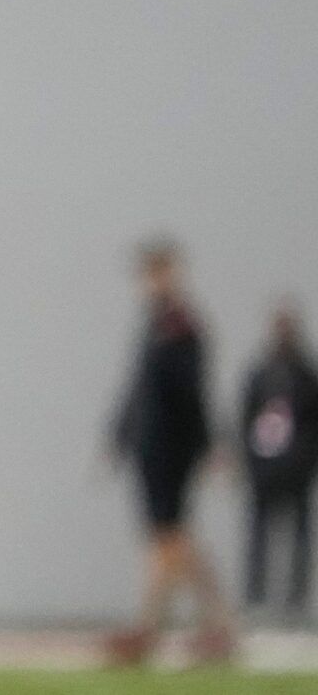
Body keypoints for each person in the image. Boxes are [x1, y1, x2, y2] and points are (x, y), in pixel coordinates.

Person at [106, 239, 236, 665]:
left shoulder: (181, 326)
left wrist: (208, 446)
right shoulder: (156, 324)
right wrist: (120, 435)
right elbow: (138, 389)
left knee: (168, 537)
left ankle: (150, 629)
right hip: (152, 446)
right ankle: (216, 625)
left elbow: (193, 394)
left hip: (172, 447)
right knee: (172, 537)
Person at [241, 305, 318, 622]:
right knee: (259, 533)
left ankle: (295, 598)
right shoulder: (260, 373)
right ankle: (256, 597)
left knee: (299, 533)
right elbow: (245, 418)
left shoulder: (306, 374)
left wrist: (306, 456)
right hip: (265, 469)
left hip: (297, 469)